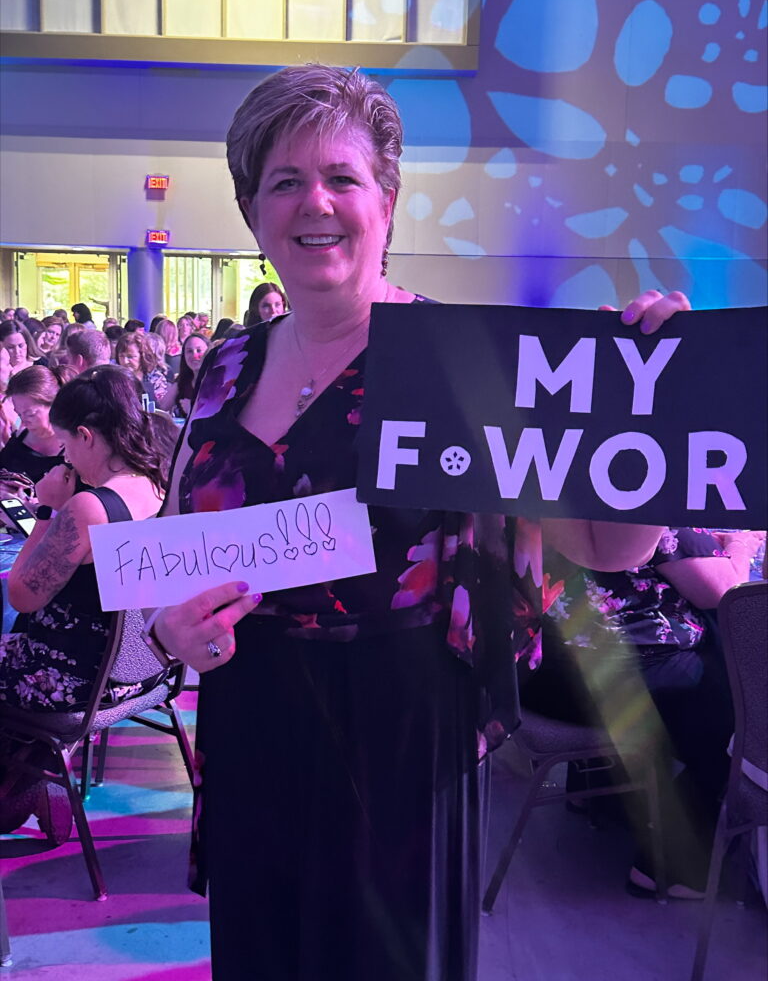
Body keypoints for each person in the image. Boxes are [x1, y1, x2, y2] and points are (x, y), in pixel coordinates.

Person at [141, 64, 690, 981]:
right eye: (284, 181)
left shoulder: (464, 363)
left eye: (342, 177)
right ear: (252, 211)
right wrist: (171, 626)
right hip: (251, 718)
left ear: (387, 200)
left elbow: (609, 547)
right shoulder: (223, 368)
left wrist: (653, 407)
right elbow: (174, 555)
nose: (315, 203)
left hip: (400, 736)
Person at [521, 525, 765, 898]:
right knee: (740, 713)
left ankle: (595, 794)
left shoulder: (554, 488)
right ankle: (672, 868)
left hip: (541, 676)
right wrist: (742, 544)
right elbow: (727, 591)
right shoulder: (648, 506)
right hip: (611, 684)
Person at [1, 366, 168, 714]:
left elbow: (21, 596)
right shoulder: (159, 484)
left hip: (77, 679)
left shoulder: (90, 507)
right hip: (148, 665)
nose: (66, 458)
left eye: (66, 445)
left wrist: (47, 509)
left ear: (85, 436)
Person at [0, 366, 72, 494]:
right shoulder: (21, 435)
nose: (23, 421)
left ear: (54, 405)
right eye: (19, 414)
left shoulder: (73, 449)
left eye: (30, 414)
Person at [160, 332, 210, 419]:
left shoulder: (217, 381)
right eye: (189, 351)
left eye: (199, 350)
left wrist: (192, 409)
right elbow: (162, 407)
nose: (195, 355)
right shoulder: (182, 380)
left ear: (209, 352)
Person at [115, 331, 167, 403]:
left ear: (142, 356)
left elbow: (162, 409)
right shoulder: (114, 378)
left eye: (130, 357)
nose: (125, 361)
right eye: (121, 356)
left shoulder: (156, 378)